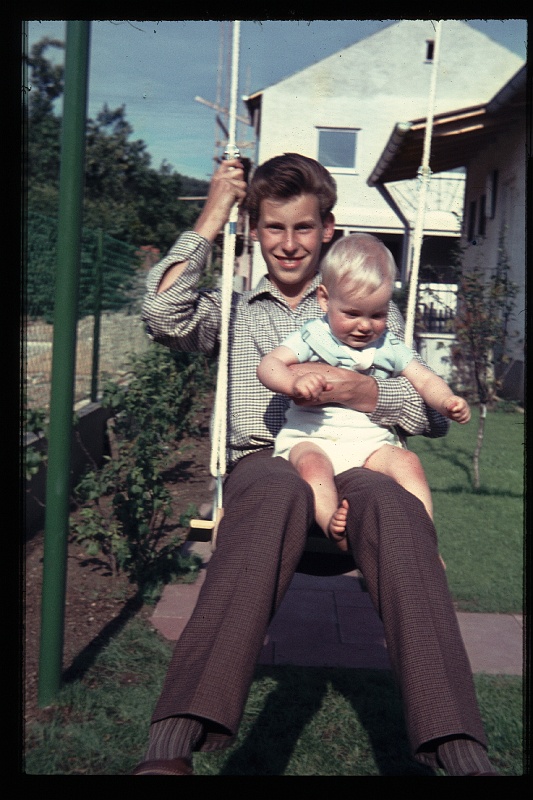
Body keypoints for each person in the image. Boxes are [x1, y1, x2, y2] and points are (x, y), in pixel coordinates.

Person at [134, 153, 498, 776]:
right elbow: (162, 316)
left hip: (359, 458)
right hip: (269, 458)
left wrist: (367, 394)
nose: (288, 243)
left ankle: (459, 748)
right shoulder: (234, 309)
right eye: (273, 228)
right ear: (255, 230)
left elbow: (432, 415)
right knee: (275, 492)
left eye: (303, 227)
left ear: (327, 228)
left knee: (398, 509)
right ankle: (173, 740)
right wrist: (215, 214)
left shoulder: (369, 309)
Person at [257, 233, 469, 560]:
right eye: (353, 313)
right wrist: (292, 384)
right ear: (325, 300)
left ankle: (425, 540)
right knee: (313, 468)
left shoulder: (389, 346)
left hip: (368, 441)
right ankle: (333, 526)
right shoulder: (313, 335)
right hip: (311, 437)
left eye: (377, 315)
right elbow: (269, 365)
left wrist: (447, 401)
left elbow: (426, 379)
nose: (365, 326)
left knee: (409, 462)